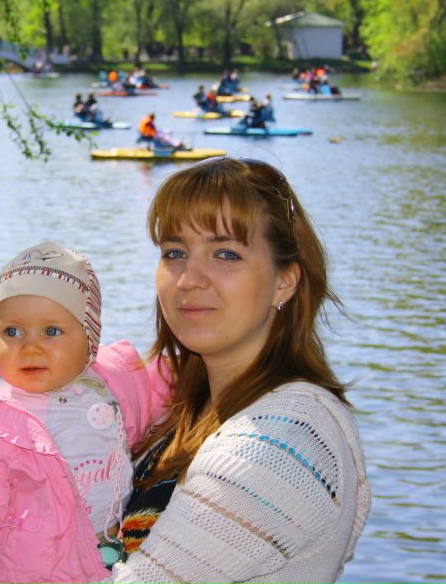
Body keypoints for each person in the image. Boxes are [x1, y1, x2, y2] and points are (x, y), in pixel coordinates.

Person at [111, 157, 371, 583]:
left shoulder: (284, 437)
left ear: (285, 281)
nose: (189, 279)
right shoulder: (186, 415)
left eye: (226, 254)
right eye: (175, 253)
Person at [0, 241, 169, 584]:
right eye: (12, 332)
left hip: (103, 559)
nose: (30, 347)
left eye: (52, 332)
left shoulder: (114, 383)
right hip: (26, 573)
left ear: (89, 339)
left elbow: (164, 388)